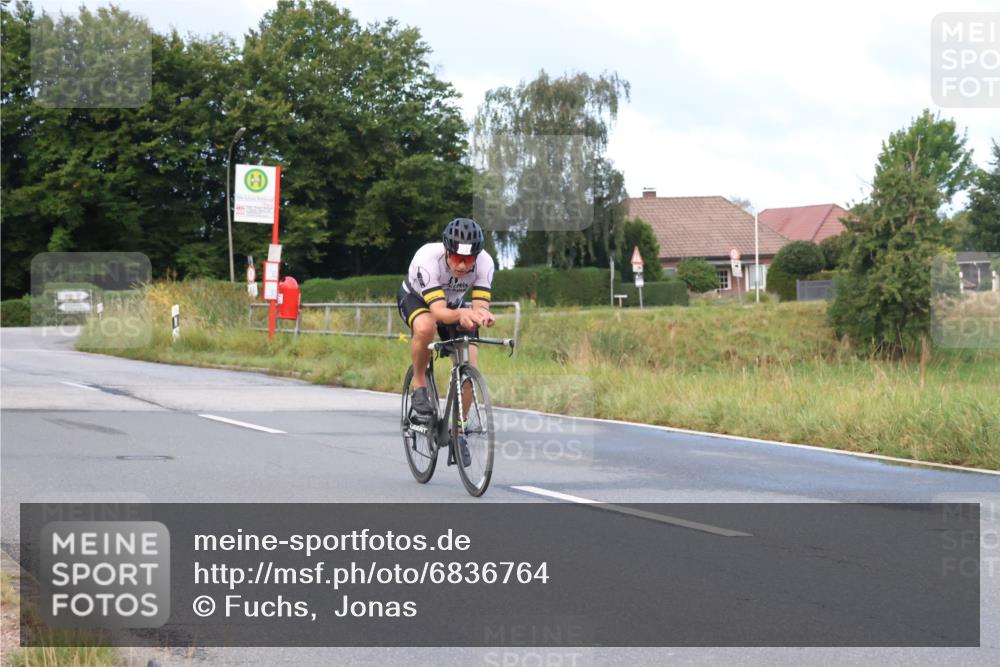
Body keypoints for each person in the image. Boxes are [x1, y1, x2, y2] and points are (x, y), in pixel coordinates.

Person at [397, 218, 496, 428]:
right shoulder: (427, 257)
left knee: (469, 364)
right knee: (426, 327)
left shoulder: (486, 263)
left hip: (454, 304)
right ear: (446, 251)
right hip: (417, 299)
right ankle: (420, 385)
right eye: (457, 258)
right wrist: (463, 313)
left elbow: (480, 304)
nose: (462, 265)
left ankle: (459, 430)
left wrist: (483, 315)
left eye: (469, 260)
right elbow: (439, 313)